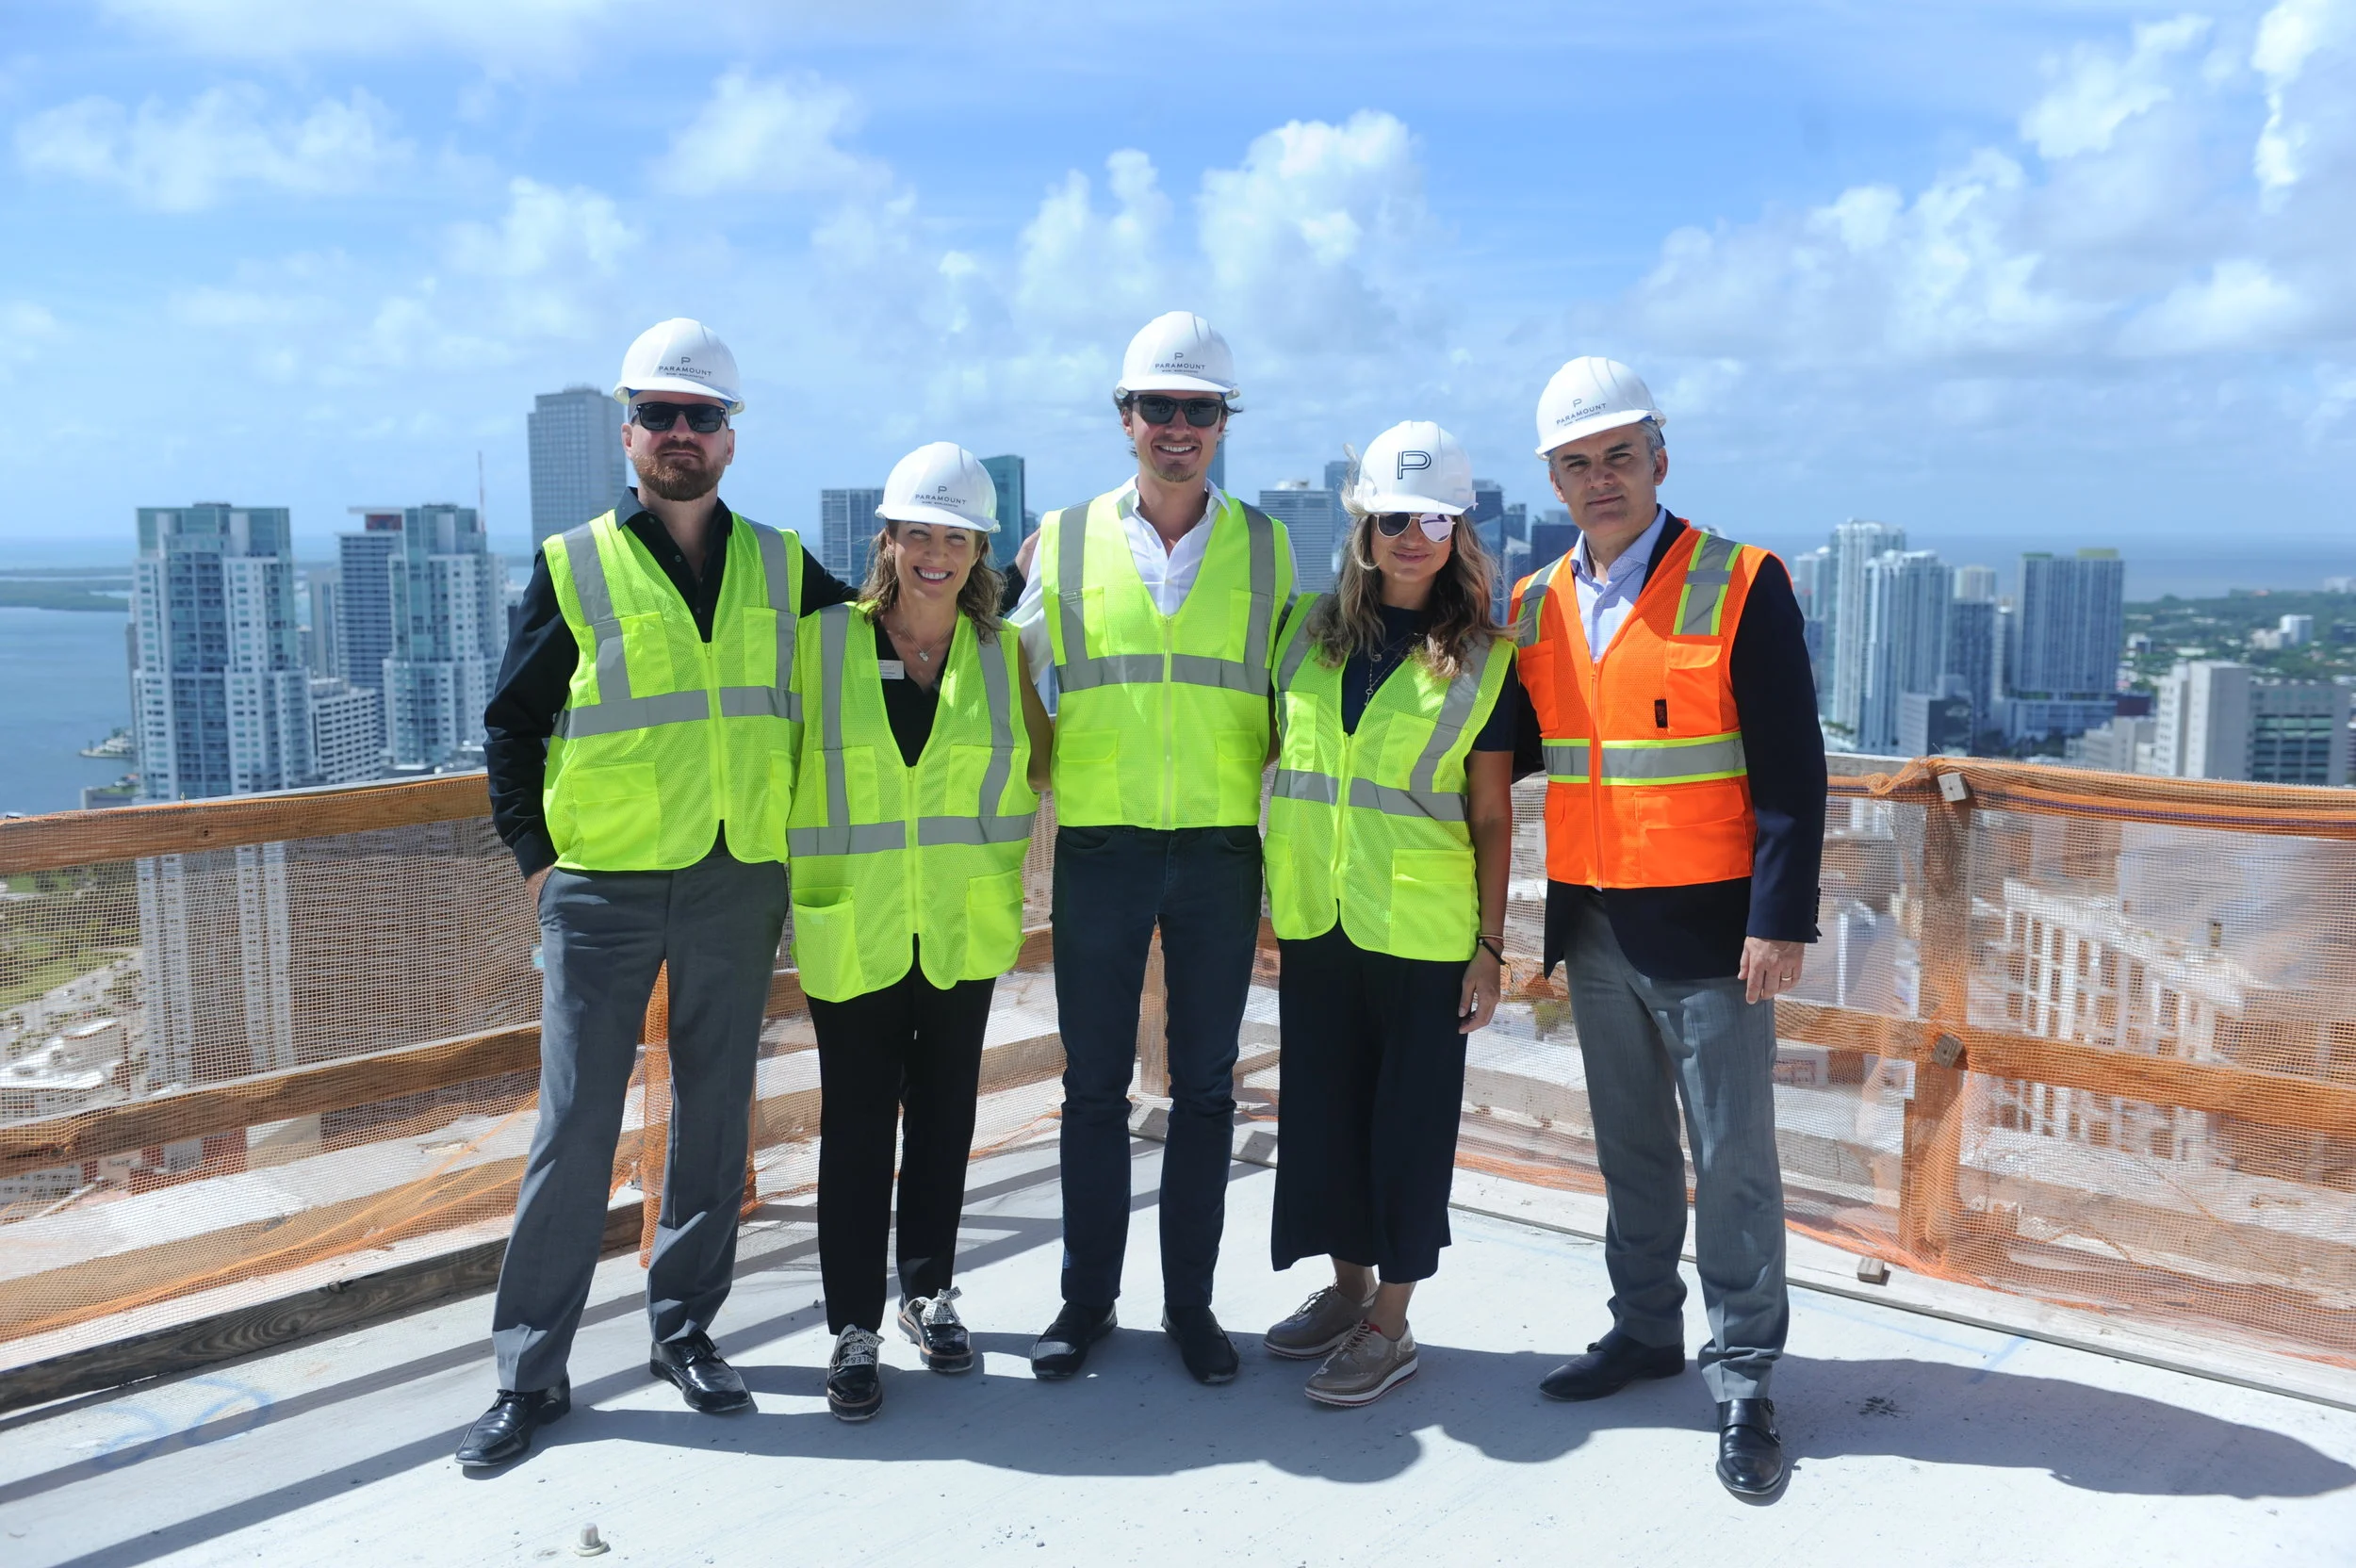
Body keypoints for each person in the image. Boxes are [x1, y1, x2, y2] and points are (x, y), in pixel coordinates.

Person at [462, 318, 862, 1468]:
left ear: (731, 437)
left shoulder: (782, 564)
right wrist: (539, 863)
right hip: (603, 884)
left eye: (703, 415)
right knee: (576, 1124)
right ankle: (529, 1370)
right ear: (629, 432)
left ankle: (684, 1328)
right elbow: (512, 722)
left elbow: (893, 623)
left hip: (738, 874)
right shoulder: (574, 561)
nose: (681, 433)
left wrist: (1006, 581)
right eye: (659, 414)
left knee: (714, 1109)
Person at [1509, 357, 1826, 1497]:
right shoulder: (1532, 603)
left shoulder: (1739, 581)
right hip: (1594, 922)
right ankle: (1644, 1327)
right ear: (1553, 479)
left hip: (1711, 930)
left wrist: (1779, 918)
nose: (1600, 479)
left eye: (1619, 456)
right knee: (1630, 1147)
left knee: (1732, 1159)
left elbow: (1791, 765)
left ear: (1659, 457)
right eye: (1576, 463)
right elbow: (1498, 743)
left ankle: (1743, 1375)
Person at [1007, 312, 1296, 1385]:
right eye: (1159, 406)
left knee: (1208, 1089)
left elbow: (1292, 687)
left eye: (1200, 408)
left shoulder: (1266, 545)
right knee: (1094, 1086)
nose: (1179, 425)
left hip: (1220, 847)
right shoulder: (1064, 537)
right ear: (1124, 417)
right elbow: (1005, 663)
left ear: (1223, 421)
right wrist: (1048, 766)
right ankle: (1086, 1302)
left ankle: (1190, 1306)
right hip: (1101, 844)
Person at [789, 443, 1054, 1422]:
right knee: (857, 1130)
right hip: (853, 924)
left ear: (980, 551)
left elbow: (1044, 764)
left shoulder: (1001, 653)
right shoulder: (822, 644)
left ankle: (930, 1291)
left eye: (956, 538)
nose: (935, 555)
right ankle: (853, 1327)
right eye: (919, 535)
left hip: (957, 924)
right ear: (887, 540)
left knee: (945, 1119)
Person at [1258, 421, 1517, 1407]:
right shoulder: (1302, 633)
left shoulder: (1484, 659)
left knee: (1406, 1128)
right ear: (1363, 526)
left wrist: (1488, 948)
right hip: (1318, 920)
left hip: (1422, 933)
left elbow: (1491, 815)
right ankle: (1348, 1290)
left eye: (1436, 520)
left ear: (1460, 532)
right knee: (1324, 1116)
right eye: (1396, 518)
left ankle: (1392, 1323)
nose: (1415, 537)